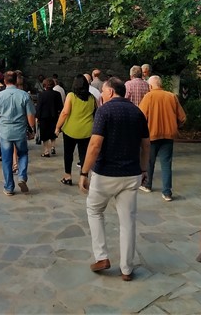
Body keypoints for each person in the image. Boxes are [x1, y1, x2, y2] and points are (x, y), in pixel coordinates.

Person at [78, 77, 150, 282]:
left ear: (110, 91)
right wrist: (143, 169)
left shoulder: (104, 111)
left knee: (94, 210)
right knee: (128, 221)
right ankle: (127, 268)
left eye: (103, 91)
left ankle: (101, 256)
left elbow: (95, 145)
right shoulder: (137, 112)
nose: (101, 94)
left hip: (105, 174)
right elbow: (146, 144)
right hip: (131, 174)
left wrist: (84, 172)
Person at [138, 75, 186, 201]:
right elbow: (182, 118)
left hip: (152, 135)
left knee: (149, 162)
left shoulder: (148, 97)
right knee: (166, 164)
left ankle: (147, 185)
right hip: (168, 135)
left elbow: (140, 117)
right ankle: (167, 192)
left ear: (150, 86)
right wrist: (175, 125)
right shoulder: (171, 96)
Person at [0, 71, 36, 196]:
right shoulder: (24, 95)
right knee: (23, 154)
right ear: (16, 81)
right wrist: (32, 129)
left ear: (4, 81)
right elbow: (31, 116)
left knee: (6, 160)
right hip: (20, 131)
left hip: (5, 132)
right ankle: (22, 176)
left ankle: (9, 187)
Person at [55, 75, 98, 185]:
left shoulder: (71, 96)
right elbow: (96, 112)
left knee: (68, 153)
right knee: (84, 154)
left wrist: (58, 127)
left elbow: (65, 113)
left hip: (71, 129)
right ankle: (83, 176)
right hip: (87, 131)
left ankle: (68, 176)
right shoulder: (92, 98)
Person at [35, 78, 63, 157]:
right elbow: (60, 106)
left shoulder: (41, 94)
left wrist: (37, 117)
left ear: (44, 85)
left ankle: (46, 151)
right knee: (53, 132)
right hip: (54, 116)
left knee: (45, 134)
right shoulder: (57, 94)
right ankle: (53, 146)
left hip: (44, 117)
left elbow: (39, 107)